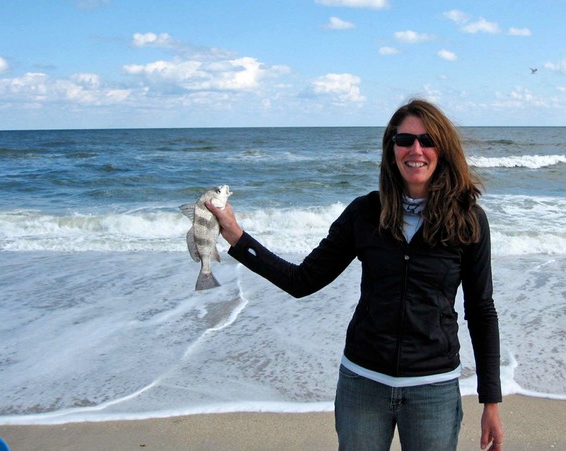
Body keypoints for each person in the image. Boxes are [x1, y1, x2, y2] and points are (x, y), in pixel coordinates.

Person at [207, 99, 503, 450]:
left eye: (427, 140)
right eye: (404, 140)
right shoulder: (365, 213)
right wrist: (237, 237)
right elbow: (302, 281)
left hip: (433, 386)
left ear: (443, 149)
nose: (416, 150)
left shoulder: (468, 220)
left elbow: (481, 310)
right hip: (363, 383)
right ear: (391, 148)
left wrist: (491, 401)